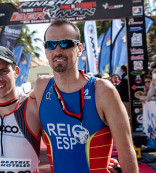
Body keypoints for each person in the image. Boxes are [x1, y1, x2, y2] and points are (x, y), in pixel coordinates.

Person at [0, 46, 121, 173]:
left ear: (16, 71)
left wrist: (98, 161)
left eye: (4, 71)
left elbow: (65, 138)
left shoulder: (33, 105)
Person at [29, 19, 138, 172]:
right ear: (46, 50)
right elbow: (14, 104)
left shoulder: (102, 91)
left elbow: (126, 152)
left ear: (79, 49)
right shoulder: (42, 87)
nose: (58, 50)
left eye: (66, 43)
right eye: (51, 44)